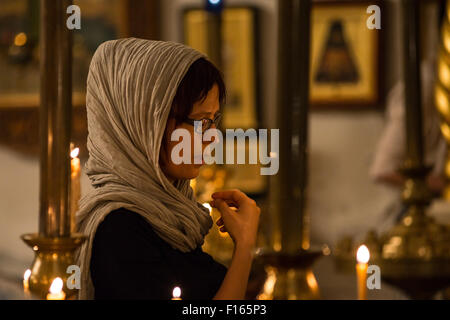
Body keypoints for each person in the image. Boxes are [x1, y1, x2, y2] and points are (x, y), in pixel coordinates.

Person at [75, 38, 261, 300]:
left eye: (213, 120)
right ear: (146, 121)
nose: (213, 137)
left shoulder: (172, 214)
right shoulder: (119, 230)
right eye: (200, 121)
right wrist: (244, 248)